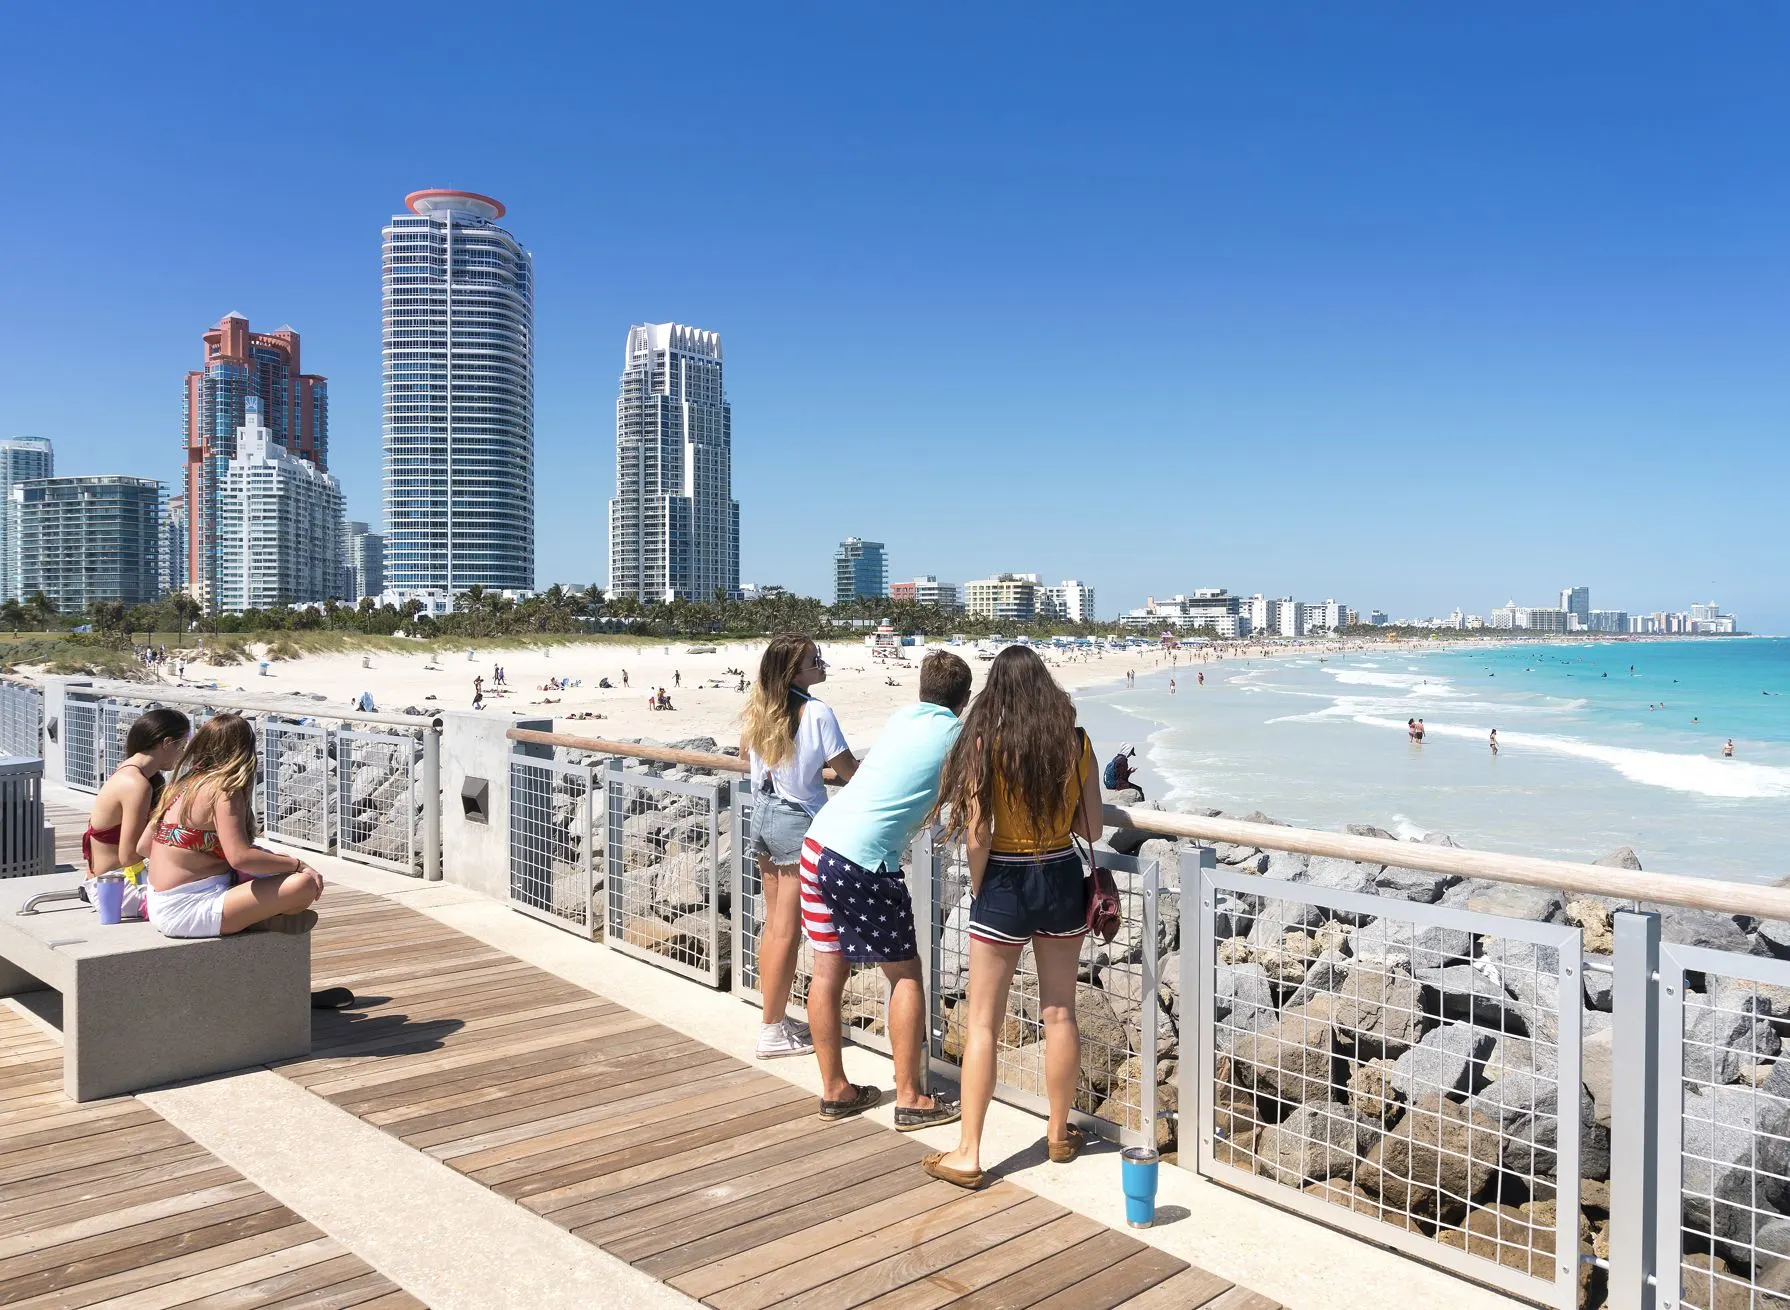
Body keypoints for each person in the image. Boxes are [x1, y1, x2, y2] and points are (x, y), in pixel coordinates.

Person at [921, 645, 1100, 1189]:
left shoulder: (984, 744)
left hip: (1003, 878)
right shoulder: (1074, 742)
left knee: (983, 1023)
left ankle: (970, 1153)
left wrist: (981, 887)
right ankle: (1058, 1132)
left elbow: (977, 832)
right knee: (1060, 1013)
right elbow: (1092, 828)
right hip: (1061, 874)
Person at [801, 651, 973, 1127]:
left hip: (819, 842)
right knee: (906, 975)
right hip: (863, 859)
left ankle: (836, 1091)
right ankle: (911, 1098)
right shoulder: (959, 736)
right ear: (964, 699)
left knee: (827, 968)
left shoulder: (903, 718)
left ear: (921, 690)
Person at [741, 634, 858, 1060]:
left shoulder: (762, 707)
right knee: (786, 931)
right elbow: (847, 769)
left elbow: (746, 753)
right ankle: (771, 1030)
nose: (821, 663)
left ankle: (774, 1019)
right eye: (814, 659)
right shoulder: (818, 712)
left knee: (775, 925)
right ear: (795, 671)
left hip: (764, 812)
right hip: (795, 819)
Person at [140, 714, 324, 939]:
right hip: (191, 909)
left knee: (276, 864)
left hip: (159, 902)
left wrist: (195, 857)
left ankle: (256, 917)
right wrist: (298, 865)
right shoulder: (224, 790)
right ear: (244, 751)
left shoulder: (180, 786)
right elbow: (240, 858)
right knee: (303, 885)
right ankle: (257, 919)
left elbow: (143, 847)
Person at [83, 708, 191, 915]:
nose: (182, 754)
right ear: (167, 743)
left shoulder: (130, 772)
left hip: (107, 885)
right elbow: (129, 855)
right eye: (182, 746)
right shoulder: (136, 784)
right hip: (119, 890)